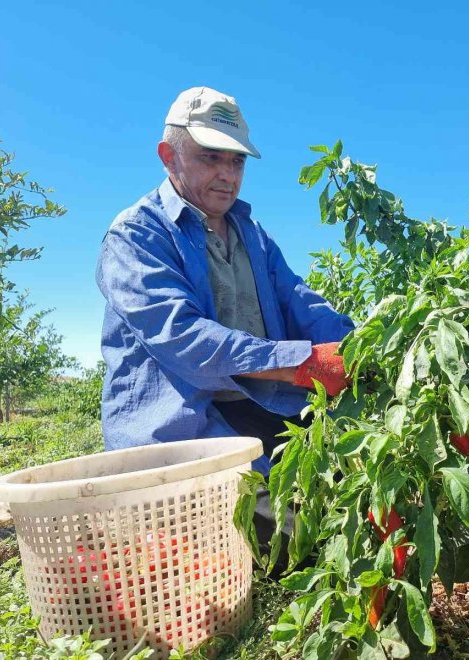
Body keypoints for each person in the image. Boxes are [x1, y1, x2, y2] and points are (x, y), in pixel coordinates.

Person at [96, 86, 354, 555]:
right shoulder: (135, 235)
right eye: (210, 157)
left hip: (258, 400)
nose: (227, 175)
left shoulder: (250, 233)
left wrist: (367, 349)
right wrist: (305, 363)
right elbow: (184, 338)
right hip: (182, 423)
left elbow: (301, 301)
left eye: (236, 162)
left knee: (354, 493)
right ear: (168, 156)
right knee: (297, 543)